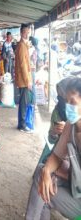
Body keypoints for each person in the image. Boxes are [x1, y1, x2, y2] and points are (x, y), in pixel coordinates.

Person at [25, 77, 81, 219]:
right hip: (75, 185)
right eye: (66, 101)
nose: (68, 106)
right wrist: (47, 171)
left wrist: (60, 174)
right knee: (41, 174)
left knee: (43, 189)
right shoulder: (70, 125)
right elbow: (56, 155)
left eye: (73, 102)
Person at [15, 24, 32, 132]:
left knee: (23, 102)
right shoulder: (21, 45)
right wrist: (28, 81)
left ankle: (21, 124)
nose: (27, 34)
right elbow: (23, 65)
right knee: (23, 102)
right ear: (21, 33)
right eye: (25, 32)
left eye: (28, 32)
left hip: (24, 78)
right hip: (23, 80)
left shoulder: (24, 44)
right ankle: (22, 125)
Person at [29, 36, 38, 105]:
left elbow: (31, 60)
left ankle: (33, 102)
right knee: (32, 85)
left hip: (31, 69)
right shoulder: (33, 49)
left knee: (32, 86)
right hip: (32, 69)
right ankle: (32, 101)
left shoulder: (32, 49)